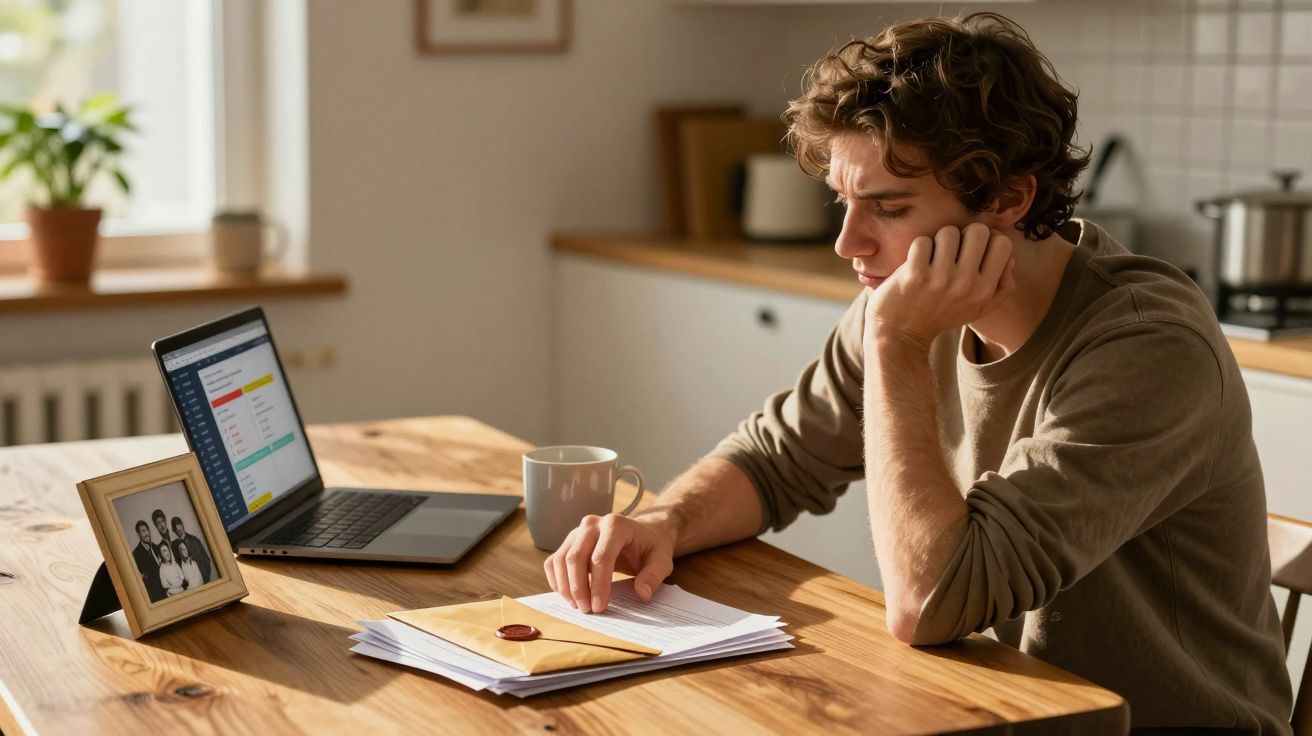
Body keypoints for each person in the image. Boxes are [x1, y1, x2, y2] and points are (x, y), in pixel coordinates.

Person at [543, 12, 1293, 733]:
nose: (847, 242)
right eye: (842, 202)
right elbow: (774, 459)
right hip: (988, 708)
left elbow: (930, 601)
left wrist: (899, 345)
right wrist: (664, 522)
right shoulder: (904, 305)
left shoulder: (1145, 345)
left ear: (1008, 197)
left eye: (888, 207)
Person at [130, 520, 165, 603]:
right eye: (143, 531)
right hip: (153, 598)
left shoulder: (156, 547)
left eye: (147, 530)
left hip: (165, 592)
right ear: (138, 534)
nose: (146, 533)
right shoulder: (135, 555)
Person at [170, 516, 213, 584]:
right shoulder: (174, 546)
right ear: (174, 531)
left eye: (179, 526)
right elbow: (177, 566)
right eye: (176, 529)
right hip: (190, 584)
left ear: (182, 525)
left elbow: (206, 559)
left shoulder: (194, 540)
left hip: (203, 580)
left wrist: (206, 577)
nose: (179, 530)